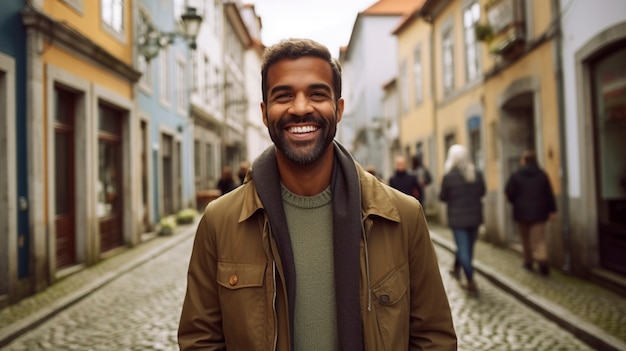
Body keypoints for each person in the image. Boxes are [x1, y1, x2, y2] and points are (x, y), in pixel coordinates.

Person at [178, 38, 456, 350]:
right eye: (283, 96)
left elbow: (434, 337)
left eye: (317, 94)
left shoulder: (403, 216)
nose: (300, 108)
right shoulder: (221, 221)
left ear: (338, 110)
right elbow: (200, 340)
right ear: (265, 112)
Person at [439, 144, 486, 295]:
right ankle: (459, 268)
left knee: (463, 249)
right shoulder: (476, 173)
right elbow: (482, 191)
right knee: (468, 249)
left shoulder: (448, 176)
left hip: (457, 219)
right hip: (474, 218)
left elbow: (443, 197)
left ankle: (470, 280)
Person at [505, 150, 557, 276]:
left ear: (524, 161)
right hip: (539, 213)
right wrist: (552, 210)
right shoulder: (542, 175)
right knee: (539, 240)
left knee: (525, 239)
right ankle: (542, 261)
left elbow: (509, 193)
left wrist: (516, 202)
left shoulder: (516, 175)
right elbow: (549, 194)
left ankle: (528, 261)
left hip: (522, 213)